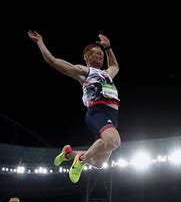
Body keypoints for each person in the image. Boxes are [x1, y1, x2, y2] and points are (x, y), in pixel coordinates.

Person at [28, 30, 121, 183]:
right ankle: (81, 160)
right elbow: (52, 60)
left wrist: (108, 48)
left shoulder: (107, 74)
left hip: (112, 117)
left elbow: (115, 66)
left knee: (100, 163)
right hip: (97, 113)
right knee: (114, 142)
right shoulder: (84, 71)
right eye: (97, 53)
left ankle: (69, 154)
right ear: (87, 57)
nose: (101, 55)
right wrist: (40, 42)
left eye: (101, 54)